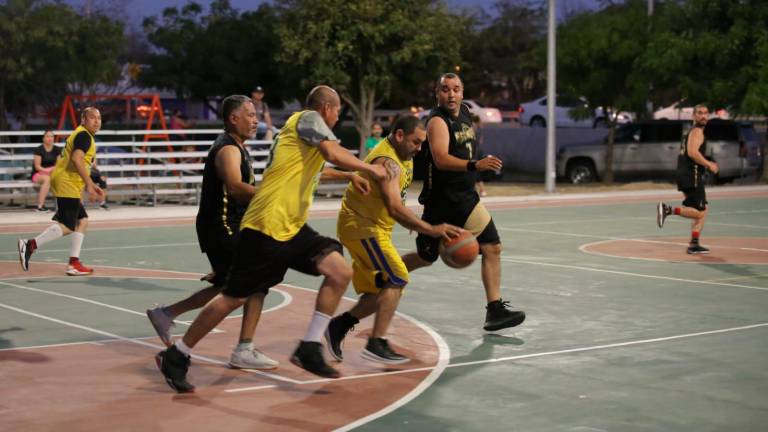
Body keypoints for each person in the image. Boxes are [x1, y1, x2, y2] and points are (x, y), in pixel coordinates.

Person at [155, 85, 388, 393]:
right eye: (336, 112)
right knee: (233, 296)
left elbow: (319, 169)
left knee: (339, 270)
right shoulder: (309, 118)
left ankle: (309, 347)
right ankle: (178, 355)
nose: (336, 118)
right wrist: (369, 167)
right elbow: (334, 152)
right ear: (328, 110)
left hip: (289, 226)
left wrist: (349, 176)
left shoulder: (302, 140)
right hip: (266, 224)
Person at [145, 95, 285, 370]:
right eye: (250, 115)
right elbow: (234, 187)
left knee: (228, 285)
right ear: (234, 118)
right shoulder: (228, 150)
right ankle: (242, 348)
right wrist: (273, 194)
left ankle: (166, 314)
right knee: (255, 280)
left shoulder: (239, 147)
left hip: (226, 228)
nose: (256, 120)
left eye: (256, 115)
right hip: (220, 228)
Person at [326, 115, 462, 364]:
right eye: (416, 142)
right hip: (362, 227)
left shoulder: (403, 155)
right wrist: (430, 229)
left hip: (371, 227)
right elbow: (394, 208)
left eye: (422, 143)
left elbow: (397, 205)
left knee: (381, 291)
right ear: (399, 135)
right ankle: (376, 343)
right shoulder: (388, 161)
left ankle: (339, 325)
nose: (419, 149)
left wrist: (412, 220)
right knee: (398, 276)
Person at [413, 73, 525, 332]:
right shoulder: (437, 122)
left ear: (463, 93)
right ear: (437, 93)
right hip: (442, 202)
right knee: (425, 257)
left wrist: (477, 168)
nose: (451, 94)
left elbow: (467, 149)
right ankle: (387, 275)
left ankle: (495, 310)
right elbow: (441, 159)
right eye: (445, 89)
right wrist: (475, 165)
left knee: (493, 247)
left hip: (466, 199)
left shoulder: (464, 113)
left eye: (456, 89)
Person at [17, 107, 105, 276]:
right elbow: (77, 159)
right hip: (67, 182)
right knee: (68, 226)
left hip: (67, 180)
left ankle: (74, 263)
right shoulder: (84, 135)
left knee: (82, 220)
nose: (96, 121)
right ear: (83, 120)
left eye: (99, 118)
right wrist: (90, 184)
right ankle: (29, 245)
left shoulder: (83, 135)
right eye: (92, 117)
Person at [657, 104, 719, 254]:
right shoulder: (697, 131)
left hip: (686, 174)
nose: (703, 116)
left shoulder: (691, 132)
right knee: (700, 212)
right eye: (699, 113)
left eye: (706, 113)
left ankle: (694, 243)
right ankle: (668, 210)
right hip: (692, 175)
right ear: (693, 116)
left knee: (702, 209)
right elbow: (692, 153)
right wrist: (709, 164)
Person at [31, 130, 61, 212]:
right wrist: (47, 170)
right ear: (43, 138)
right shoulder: (38, 149)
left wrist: (53, 170)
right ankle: (40, 206)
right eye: (47, 136)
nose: (50, 138)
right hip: (38, 174)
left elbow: (59, 165)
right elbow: (37, 167)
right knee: (47, 179)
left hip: (52, 173)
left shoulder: (57, 149)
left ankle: (63, 205)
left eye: (51, 136)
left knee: (63, 179)